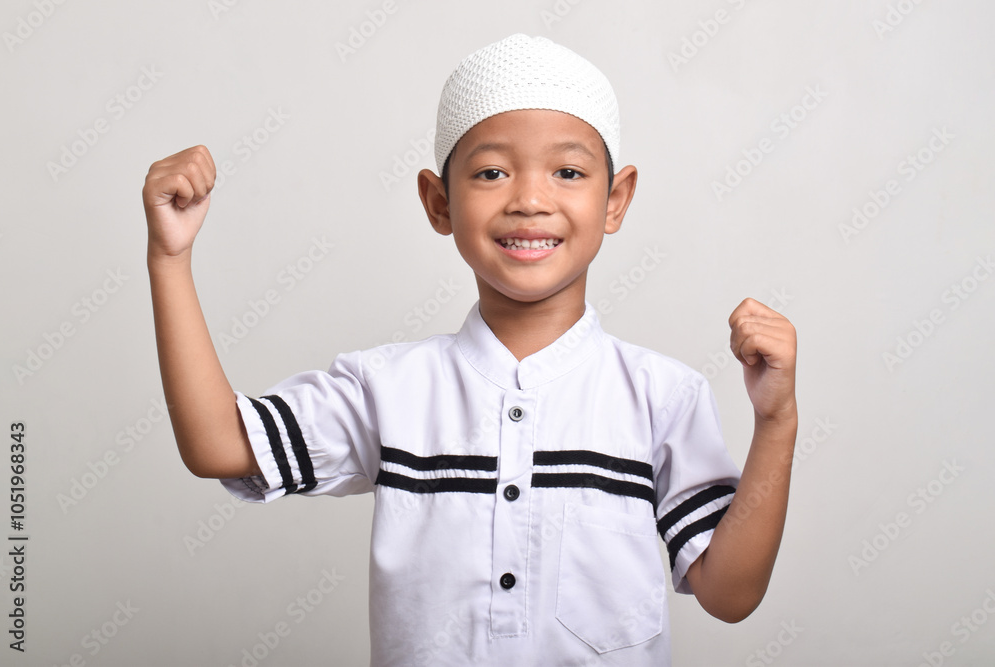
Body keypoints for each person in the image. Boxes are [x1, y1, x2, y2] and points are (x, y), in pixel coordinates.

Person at [143, 33, 797, 666]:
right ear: (438, 201)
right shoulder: (388, 389)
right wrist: (170, 257)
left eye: (568, 171)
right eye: (491, 171)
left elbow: (729, 592)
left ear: (614, 199)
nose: (531, 200)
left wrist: (775, 421)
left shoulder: (662, 396)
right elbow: (219, 444)